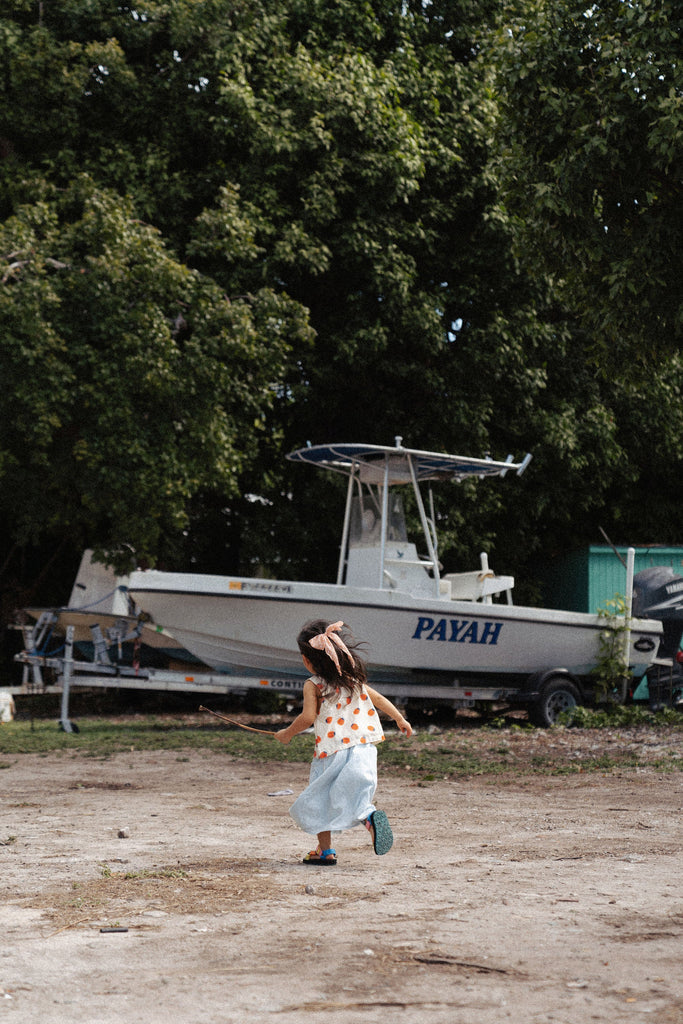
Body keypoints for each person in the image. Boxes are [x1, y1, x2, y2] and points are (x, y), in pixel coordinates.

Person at [275, 619, 412, 865]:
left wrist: (287, 733)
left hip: (331, 753)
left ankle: (325, 851)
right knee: (357, 797)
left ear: (307, 660)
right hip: (363, 749)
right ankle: (368, 818)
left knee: (320, 799)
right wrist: (400, 719)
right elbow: (379, 699)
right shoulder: (352, 680)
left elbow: (307, 717)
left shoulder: (313, 685)